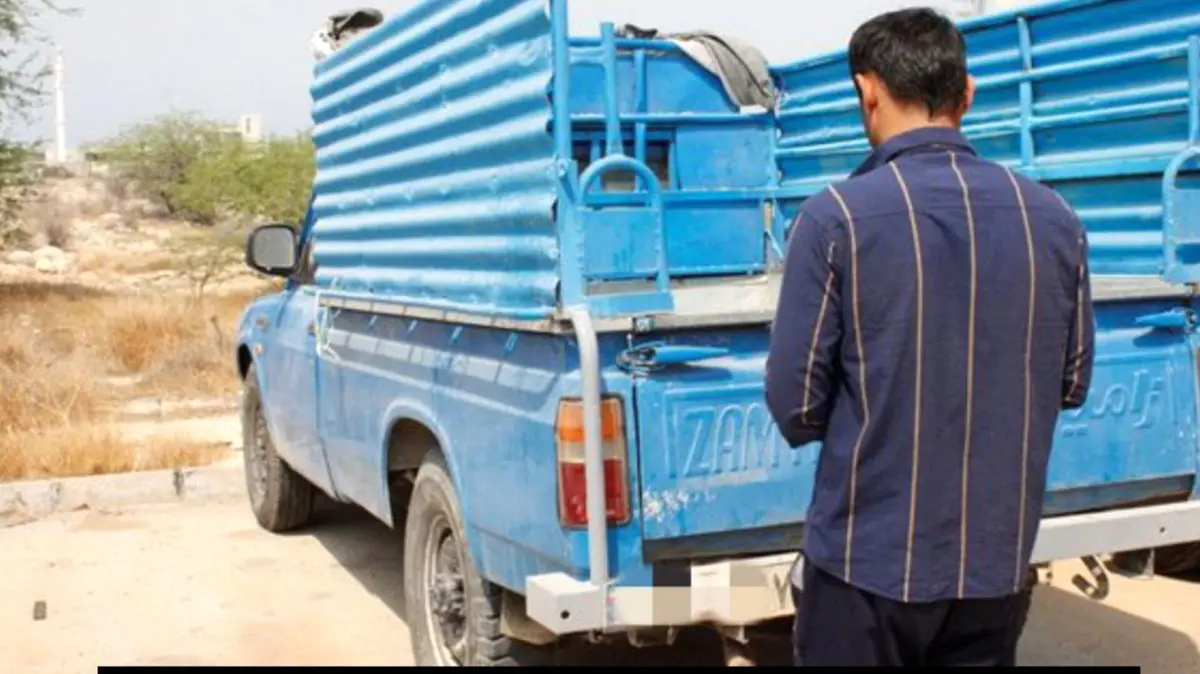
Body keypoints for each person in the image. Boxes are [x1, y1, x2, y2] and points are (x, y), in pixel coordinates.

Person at [764, 7, 1095, 667]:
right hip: (995, 566)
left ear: (868, 92)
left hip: (864, 567)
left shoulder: (835, 219)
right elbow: (1070, 382)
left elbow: (795, 405)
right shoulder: (1055, 219)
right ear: (966, 95)